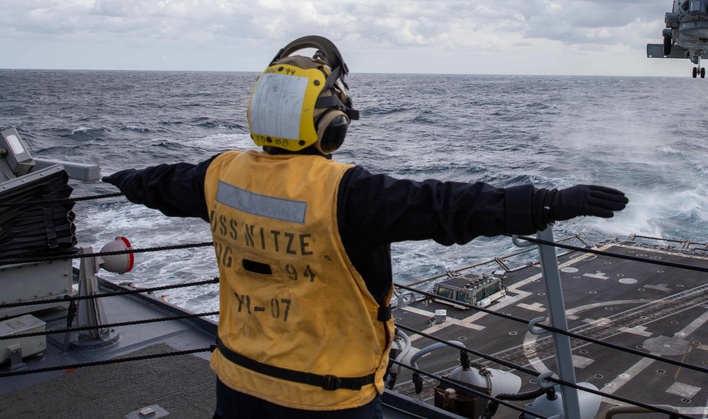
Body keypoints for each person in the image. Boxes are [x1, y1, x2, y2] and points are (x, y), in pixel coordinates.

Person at [102, 35, 628, 419]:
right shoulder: (348, 194)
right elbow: (451, 207)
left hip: (237, 380)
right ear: (330, 126)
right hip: (328, 398)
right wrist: (550, 202)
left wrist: (114, 179)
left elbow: (155, 183)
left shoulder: (217, 176)